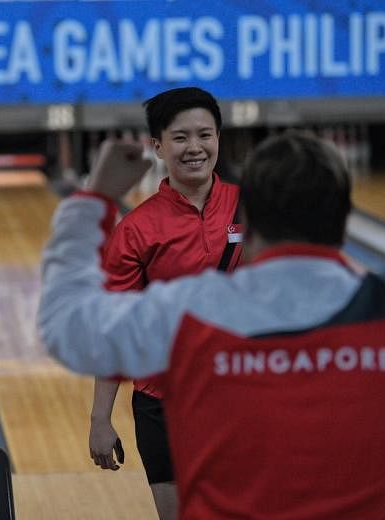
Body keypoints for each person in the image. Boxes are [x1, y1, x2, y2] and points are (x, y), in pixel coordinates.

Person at [39, 128, 385, 518]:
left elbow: (67, 325)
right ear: (344, 225)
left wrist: (94, 198)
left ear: (245, 224)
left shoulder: (189, 316)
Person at [88, 87, 242, 520]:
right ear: (157, 146)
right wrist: (101, 418)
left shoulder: (252, 208)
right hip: (163, 403)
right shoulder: (137, 229)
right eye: (180, 137)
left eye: (204, 135)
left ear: (218, 138)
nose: (194, 148)